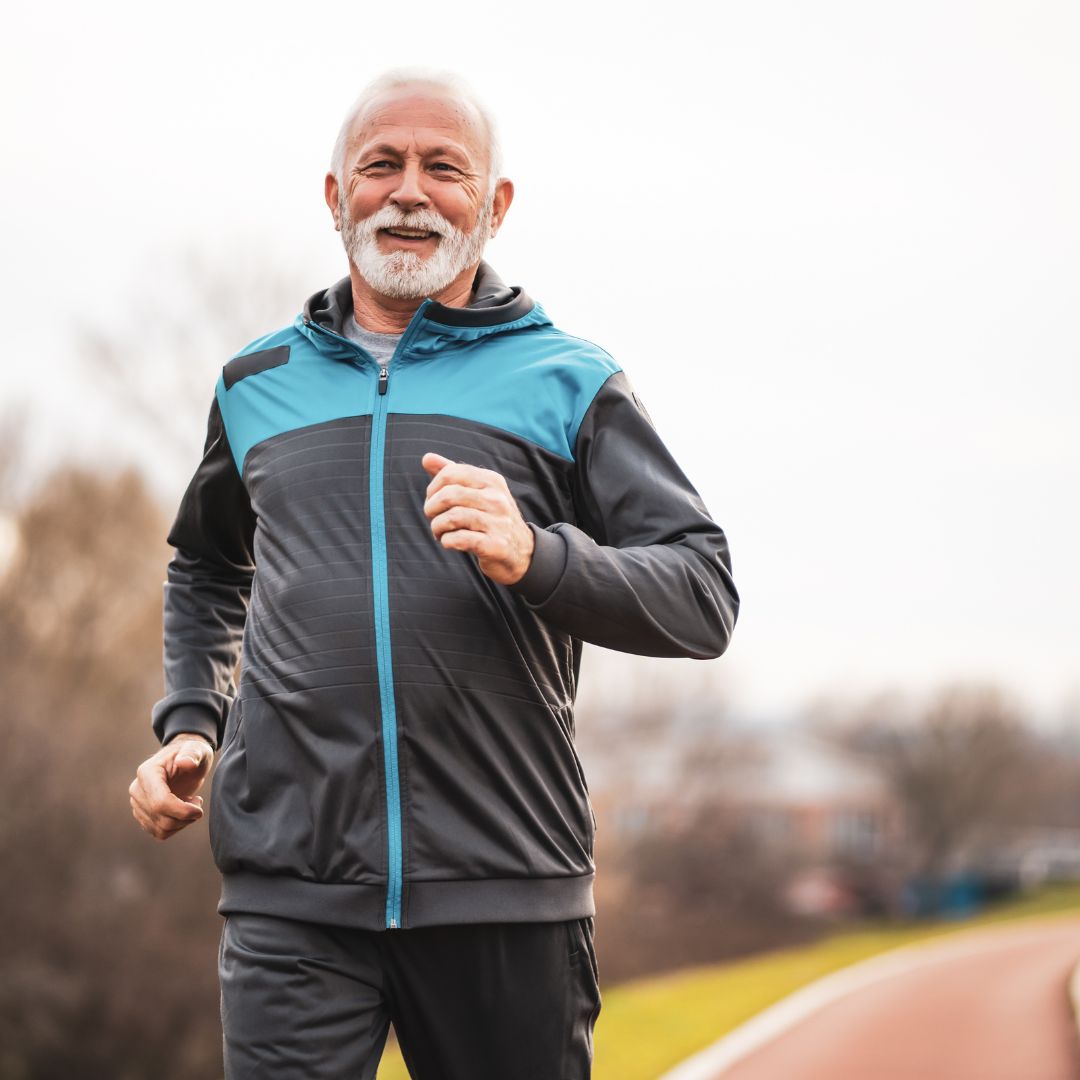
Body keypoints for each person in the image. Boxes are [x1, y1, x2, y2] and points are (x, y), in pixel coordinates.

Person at [128, 66, 739, 1080]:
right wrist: (193, 719)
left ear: (494, 206)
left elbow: (703, 594)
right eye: (381, 165)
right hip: (290, 895)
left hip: (506, 888)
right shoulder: (254, 385)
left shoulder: (570, 380)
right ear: (337, 198)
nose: (409, 192)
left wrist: (536, 556)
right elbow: (205, 564)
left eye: (444, 169)